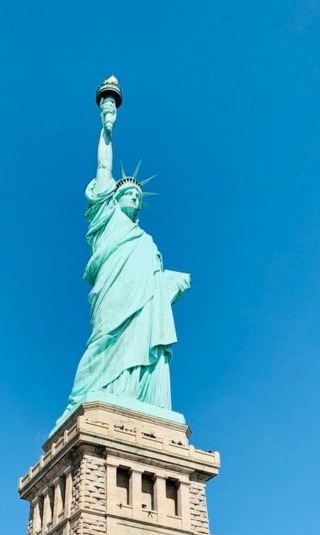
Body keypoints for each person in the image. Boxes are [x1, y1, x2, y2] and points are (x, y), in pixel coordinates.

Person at [55, 89, 190, 428]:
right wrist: (107, 124)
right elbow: (103, 164)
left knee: (145, 347)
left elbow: (155, 283)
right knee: (102, 341)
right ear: (114, 198)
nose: (133, 196)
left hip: (142, 306)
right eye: (127, 192)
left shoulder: (147, 241)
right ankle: (83, 399)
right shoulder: (106, 220)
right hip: (113, 297)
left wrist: (169, 284)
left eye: (137, 195)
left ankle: (137, 401)